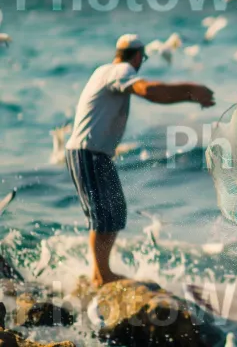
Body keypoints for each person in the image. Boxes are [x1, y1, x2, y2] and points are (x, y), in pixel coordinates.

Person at [65, 34, 215, 287]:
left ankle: (100, 273)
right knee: (103, 215)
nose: (141, 62)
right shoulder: (120, 70)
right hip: (87, 151)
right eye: (142, 58)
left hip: (93, 152)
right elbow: (148, 91)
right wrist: (191, 92)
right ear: (137, 56)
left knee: (114, 212)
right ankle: (101, 275)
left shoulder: (105, 70)